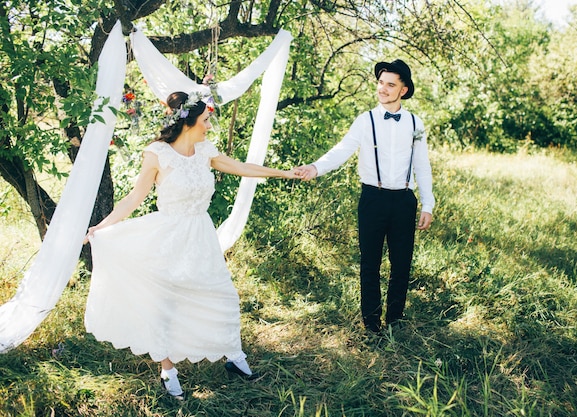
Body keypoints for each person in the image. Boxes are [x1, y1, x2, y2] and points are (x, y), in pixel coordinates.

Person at [83, 91, 299, 400]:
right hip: (168, 236)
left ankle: (233, 357)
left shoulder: (204, 150)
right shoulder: (158, 153)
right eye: (206, 120)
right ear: (188, 122)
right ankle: (168, 371)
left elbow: (241, 167)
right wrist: (102, 228)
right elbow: (135, 198)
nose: (210, 126)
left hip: (200, 234)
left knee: (222, 295)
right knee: (163, 304)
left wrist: (284, 173)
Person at [296, 59, 435, 334]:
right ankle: (371, 324)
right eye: (381, 82)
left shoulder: (415, 123)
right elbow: (342, 150)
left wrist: (427, 204)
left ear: (403, 90)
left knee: (402, 263)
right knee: (370, 262)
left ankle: (395, 320)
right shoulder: (365, 120)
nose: (383, 89)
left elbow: (422, 164)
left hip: (404, 200)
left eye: (390, 84)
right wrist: (315, 167)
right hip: (373, 198)